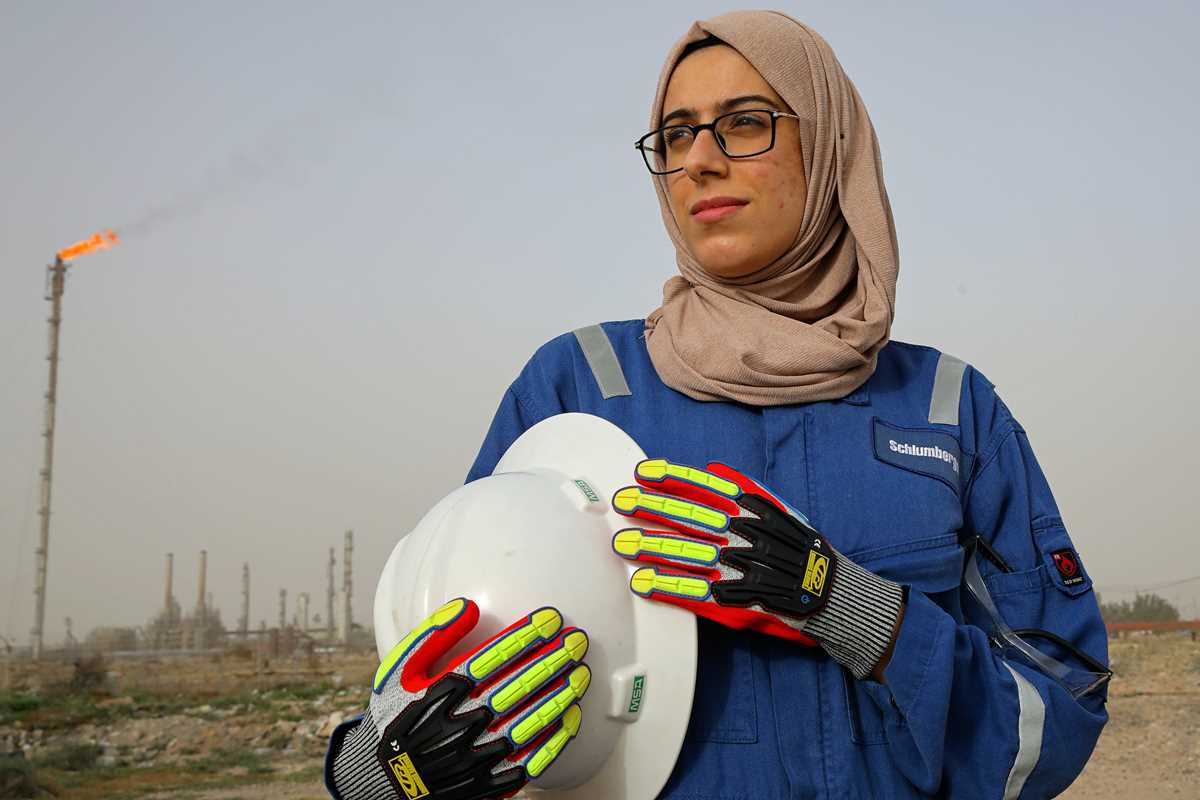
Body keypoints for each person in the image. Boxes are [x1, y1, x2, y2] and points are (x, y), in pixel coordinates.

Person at [328, 10, 1109, 799]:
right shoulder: (577, 392)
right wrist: (380, 776)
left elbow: (1060, 716)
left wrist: (856, 612)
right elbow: (443, 673)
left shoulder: (948, 409)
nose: (699, 161)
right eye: (675, 135)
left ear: (828, 145)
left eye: (743, 123)